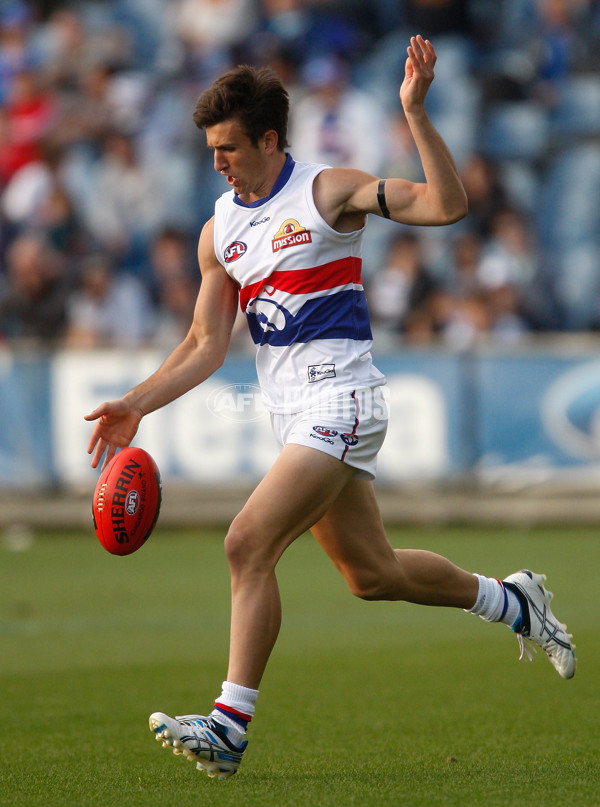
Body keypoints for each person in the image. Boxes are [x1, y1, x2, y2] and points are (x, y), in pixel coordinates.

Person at [85, 36, 576, 781]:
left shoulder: (327, 192)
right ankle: (513, 600)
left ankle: (229, 724)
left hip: (343, 399)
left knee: (246, 542)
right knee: (371, 574)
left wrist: (414, 111)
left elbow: (446, 205)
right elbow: (204, 341)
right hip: (296, 416)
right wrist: (135, 403)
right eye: (209, 148)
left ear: (270, 139)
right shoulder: (220, 230)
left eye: (228, 147)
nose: (216, 161)